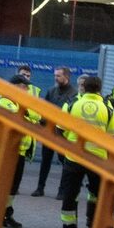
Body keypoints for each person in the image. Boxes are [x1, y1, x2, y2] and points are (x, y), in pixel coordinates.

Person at [55, 74, 114, 228]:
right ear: (99, 89)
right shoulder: (108, 109)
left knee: (70, 194)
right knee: (101, 196)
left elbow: (59, 130)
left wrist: (66, 148)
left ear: (84, 88)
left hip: (74, 156)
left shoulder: (71, 105)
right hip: (98, 159)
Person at [0, 73, 40, 228]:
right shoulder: (5, 101)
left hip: (19, 151)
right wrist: (30, 117)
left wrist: (30, 116)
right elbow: (22, 120)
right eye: (24, 87)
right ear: (15, 87)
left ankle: (5, 215)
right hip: (4, 151)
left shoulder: (20, 103)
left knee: (12, 186)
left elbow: (37, 116)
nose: (27, 90)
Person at [32, 66, 77, 196]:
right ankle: (40, 188)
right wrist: (42, 123)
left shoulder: (73, 94)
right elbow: (44, 108)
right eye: (55, 75)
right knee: (45, 161)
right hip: (49, 131)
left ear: (66, 77)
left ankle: (62, 190)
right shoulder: (52, 90)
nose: (55, 78)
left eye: (58, 76)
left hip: (63, 133)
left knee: (64, 162)